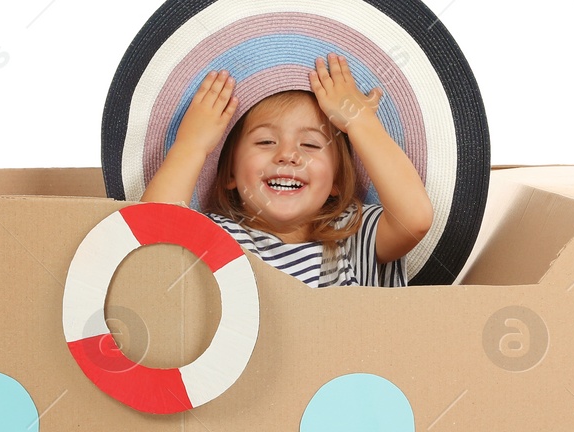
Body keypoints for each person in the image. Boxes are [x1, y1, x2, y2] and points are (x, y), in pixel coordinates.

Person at [140, 54, 433, 287]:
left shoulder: (351, 237)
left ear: (337, 182)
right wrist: (191, 146)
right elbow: (153, 245)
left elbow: (415, 217)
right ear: (229, 174)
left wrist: (360, 122)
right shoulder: (217, 238)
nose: (288, 155)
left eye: (310, 144)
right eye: (266, 141)